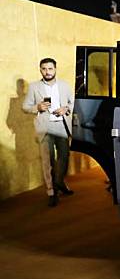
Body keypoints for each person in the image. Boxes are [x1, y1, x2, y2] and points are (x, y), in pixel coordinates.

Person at [22, 58, 74, 207]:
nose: (47, 72)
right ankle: (52, 192)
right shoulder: (34, 87)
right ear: (40, 70)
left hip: (62, 126)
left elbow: (72, 102)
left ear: (55, 69)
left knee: (64, 158)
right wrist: (37, 107)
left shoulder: (64, 85)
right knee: (48, 161)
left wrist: (66, 109)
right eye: (44, 69)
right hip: (44, 128)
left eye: (50, 69)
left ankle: (58, 183)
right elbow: (25, 106)